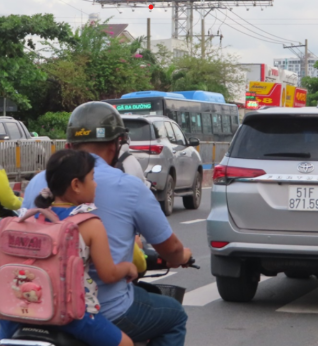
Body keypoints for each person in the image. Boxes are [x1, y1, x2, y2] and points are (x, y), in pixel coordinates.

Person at [16, 102, 191, 346]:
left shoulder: (38, 183)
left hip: (39, 304)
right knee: (174, 315)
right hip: (103, 309)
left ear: (68, 148)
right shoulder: (123, 190)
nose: (96, 183)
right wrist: (180, 256)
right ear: (116, 144)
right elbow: (167, 249)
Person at [0, 149, 138, 346]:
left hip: (19, 313)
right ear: (76, 185)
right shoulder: (89, 223)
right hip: (70, 315)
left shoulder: (29, 218)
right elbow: (108, 274)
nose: (96, 184)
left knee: (2, 342)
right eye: (92, 178)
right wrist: (128, 268)